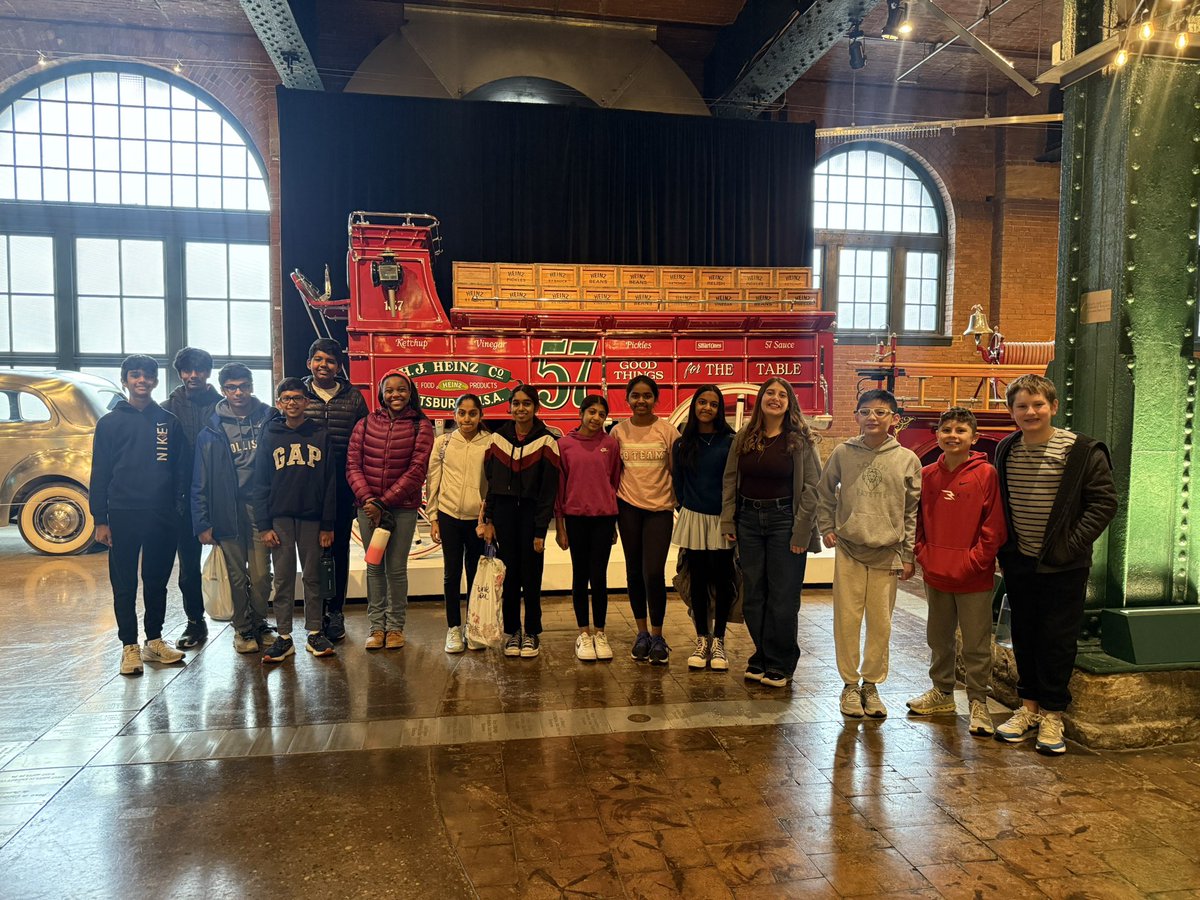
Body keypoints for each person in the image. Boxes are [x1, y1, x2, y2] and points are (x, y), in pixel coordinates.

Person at [992, 374, 1116, 755]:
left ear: (1053, 407)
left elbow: (1104, 503)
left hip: (1064, 566)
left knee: (1057, 641)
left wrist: (1070, 547)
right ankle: (1028, 708)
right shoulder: (1006, 449)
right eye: (1022, 406)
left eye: (1038, 405)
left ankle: (1052, 715)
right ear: (1012, 411)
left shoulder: (1081, 451)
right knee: (1025, 635)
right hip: (1021, 562)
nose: (1030, 412)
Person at [816, 388, 921, 719]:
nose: (872, 418)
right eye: (865, 412)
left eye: (880, 413)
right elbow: (824, 492)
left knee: (881, 623)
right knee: (847, 619)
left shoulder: (907, 460)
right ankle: (849, 685)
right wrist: (827, 526)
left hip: (887, 553)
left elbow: (911, 512)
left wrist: (907, 554)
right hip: (849, 547)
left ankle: (871, 685)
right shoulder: (843, 453)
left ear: (894, 419)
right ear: (856, 416)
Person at [906, 407, 1007, 736]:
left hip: (972, 576)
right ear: (937, 435)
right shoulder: (927, 475)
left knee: (976, 643)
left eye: (960, 430)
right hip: (936, 573)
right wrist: (923, 553)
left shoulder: (985, 474)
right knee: (938, 637)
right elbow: (917, 520)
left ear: (973, 437)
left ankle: (978, 701)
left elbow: (994, 527)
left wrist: (975, 560)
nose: (952, 435)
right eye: (946, 429)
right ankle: (943, 692)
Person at [720, 379, 822, 686]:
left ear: (790, 403)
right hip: (748, 520)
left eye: (782, 395)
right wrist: (728, 521)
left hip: (784, 522)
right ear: (760, 400)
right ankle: (761, 655)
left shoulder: (800, 441)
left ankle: (781, 661)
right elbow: (729, 481)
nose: (775, 398)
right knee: (754, 594)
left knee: (783, 595)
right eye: (770, 393)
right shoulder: (743, 438)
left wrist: (801, 531)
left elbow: (812, 488)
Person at [90, 354, 187, 675]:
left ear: (156, 381)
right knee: (124, 584)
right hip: (122, 514)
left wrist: (178, 510)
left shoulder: (168, 421)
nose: (142, 380)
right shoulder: (109, 423)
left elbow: (179, 471)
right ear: (125, 380)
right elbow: (100, 472)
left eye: (147, 376)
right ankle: (129, 646)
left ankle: (154, 640)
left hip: (162, 515)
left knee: (157, 582)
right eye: (135, 375)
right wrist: (100, 519)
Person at [191, 363, 278, 654]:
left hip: (261, 509)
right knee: (237, 576)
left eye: (243, 386)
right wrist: (202, 522)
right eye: (231, 387)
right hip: (226, 509)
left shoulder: (269, 418)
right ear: (224, 390)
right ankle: (242, 628)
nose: (238, 392)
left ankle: (260, 622)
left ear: (252, 386)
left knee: (261, 575)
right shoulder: (211, 429)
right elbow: (199, 479)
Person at [346, 371, 433, 651]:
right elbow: (352, 465)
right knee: (374, 567)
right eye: (389, 390)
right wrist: (369, 500)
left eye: (401, 390)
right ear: (381, 394)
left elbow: (417, 470)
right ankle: (376, 627)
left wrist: (383, 502)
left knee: (395, 569)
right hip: (368, 509)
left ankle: (395, 627)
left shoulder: (422, 425)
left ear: (411, 392)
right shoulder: (365, 423)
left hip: (403, 510)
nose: (395, 394)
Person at [253, 378, 337, 663]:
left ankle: (314, 631)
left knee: (313, 576)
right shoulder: (270, 434)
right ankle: (285, 636)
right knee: (284, 578)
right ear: (279, 403)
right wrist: (263, 526)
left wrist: (328, 524)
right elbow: (260, 483)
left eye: (297, 397)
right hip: (280, 518)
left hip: (313, 518)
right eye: (286, 398)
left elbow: (330, 483)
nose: (292, 402)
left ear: (307, 401)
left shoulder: (320, 434)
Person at [481, 385, 560, 659]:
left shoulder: (548, 441)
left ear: (536, 407)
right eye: (516, 403)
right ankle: (513, 631)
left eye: (527, 403)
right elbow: (490, 485)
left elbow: (549, 492)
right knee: (509, 576)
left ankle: (533, 632)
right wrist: (489, 519)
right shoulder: (497, 439)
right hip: (503, 517)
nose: (521, 408)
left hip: (531, 517)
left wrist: (540, 530)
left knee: (532, 576)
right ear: (509, 407)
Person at [302, 339, 369, 642]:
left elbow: (365, 444)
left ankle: (336, 612)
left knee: (338, 550)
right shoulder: (297, 394)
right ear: (309, 363)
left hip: (342, 487)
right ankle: (315, 614)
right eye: (318, 359)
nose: (323, 365)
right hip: (306, 486)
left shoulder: (354, 398)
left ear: (339, 366)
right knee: (312, 554)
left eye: (329, 360)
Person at [613, 375, 679, 664]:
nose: (641, 401)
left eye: (647, 396)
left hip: (660, 510)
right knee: (633, 572)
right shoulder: (618, 432)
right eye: (636, 396)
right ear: (628, 399)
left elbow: (677, 471)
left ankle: (658, 635)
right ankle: (641, 634)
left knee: (653, 572)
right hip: (628, 509)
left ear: (655, 399)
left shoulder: (667, 431)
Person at [161, 346, 222, 650]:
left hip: (221, 497)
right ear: (180, 373)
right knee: (187, 567)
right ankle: (194, 621)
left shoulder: (223, 405)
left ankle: (247, 619)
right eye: (187, 370)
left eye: (199, 369)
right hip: (182, 498)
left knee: (238, 561)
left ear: (208, 372)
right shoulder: (166, 408)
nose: (193, 375)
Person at [673, 385, 736, 672]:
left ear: (719, 409)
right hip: (694, 517)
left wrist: (730, 517)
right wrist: (687, 507)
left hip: (722, 519)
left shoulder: (730, 441)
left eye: (713, 404)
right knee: (697, 580)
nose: (707, 408)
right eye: (702, 402)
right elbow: (678, 482)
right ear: (694, 406)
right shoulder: (683, 443)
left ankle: (719, 640)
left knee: (723, 581)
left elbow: (735, 481)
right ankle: (701, 639)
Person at [555, 394, 621, 662]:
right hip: (576, 519)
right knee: (580, 576)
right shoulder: (564, 445)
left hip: (604, 520)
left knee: (600, 576)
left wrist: (614, 522)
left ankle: (600, 633)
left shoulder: (611, 445)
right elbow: (559, 490)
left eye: (601, 414)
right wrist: (560, 527)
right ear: (581, 413)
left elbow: (614, 482)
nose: (596, 418)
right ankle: (583, 633)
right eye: (591, 412)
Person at [428, 393, 492, 654]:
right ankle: (453, 627)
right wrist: (433, 517)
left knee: (476, 576)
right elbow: (434, 480)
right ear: (454, 415)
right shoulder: (443, 443)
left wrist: (489, 519)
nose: (467, 418)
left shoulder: (491, 443)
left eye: (472, 413)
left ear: (481, 415)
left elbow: (493, 484)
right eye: (462, 413)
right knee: (451, 574)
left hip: (476, 521)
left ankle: (473, 627)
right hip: (449, 516)